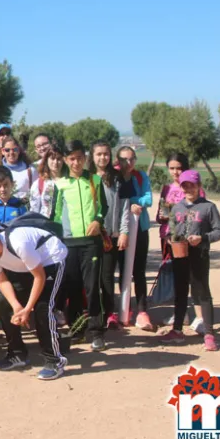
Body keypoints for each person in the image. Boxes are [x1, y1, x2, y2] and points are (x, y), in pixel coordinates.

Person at [0, 220, 69, 380]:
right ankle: (17, 354)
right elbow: (2, 281)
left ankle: (54, 360)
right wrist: (17, 307)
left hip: (51, 259)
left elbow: (39, 276)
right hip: (25, 266)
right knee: (4, 303)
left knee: (43, 308)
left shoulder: (18, 243)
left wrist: (27, 308)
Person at [160, 170, 220, 351]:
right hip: (180, 255)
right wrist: (169, 238)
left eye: (192, 185)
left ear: (199, 186)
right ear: (181, 187)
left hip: (199, 255)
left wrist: (202, 238)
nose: (189, 188)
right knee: (180, 292)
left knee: (202, 292)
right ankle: (177, 330)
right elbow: (170, 230)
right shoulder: (177, 207)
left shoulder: (208, 207)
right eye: (185, 185)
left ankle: (209, 333)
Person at [53, 140, 108, 350]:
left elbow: (104, 207)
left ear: (85, 158)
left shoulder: (94, 180)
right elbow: (56, 215)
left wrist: (98, 221)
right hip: (69, 244)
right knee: (73, 288)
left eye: (79, 158)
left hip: (91, 243)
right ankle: (77, 329)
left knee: (93, 287)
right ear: (66, 160)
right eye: (71, 158)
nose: (76, 162)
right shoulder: (60, 184)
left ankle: (96, 332)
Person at [157, 153, 205, 332]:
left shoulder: (194, 187)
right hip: (170, 240)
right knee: (177, 279)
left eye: (179, 168)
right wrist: (163, 217)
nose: (176, 172)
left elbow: (201, 212)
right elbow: (160, 216)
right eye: (172, 168)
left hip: (191, 241)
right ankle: (181, 314)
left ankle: (200, 317)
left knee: (195, 279)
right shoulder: (166, 189)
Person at [88, 141, 130, 330]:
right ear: (92, 156)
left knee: (106, 277)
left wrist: (123, 231)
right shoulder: (85, 177)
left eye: (106, 154)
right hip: (89, 235)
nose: (102, 157)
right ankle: (91, 312)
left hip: (110, 236)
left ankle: (109, 313)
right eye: (98, 154)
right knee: (90, 277)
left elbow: (124, 207)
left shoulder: (117, 178)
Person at [115, 146, 155, 332]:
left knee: (138, 270)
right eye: (124, 159)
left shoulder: (140, 176)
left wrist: (135, 202)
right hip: (118, 230)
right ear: (117, 160)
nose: (128, 163)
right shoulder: (113, 176)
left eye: (131, 159)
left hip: (140, 228)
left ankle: (141, 310)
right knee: (121, 270)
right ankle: (121, 309)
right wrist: (131, 203)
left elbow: (148, 198)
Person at [0, 135, 35, 202]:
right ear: (2, 151)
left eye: (15, 149)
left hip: (23, 209)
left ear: (19, 150)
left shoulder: (30, 170)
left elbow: (36, 194)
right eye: (7, 150)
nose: (11, 153)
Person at [29, 147, 66, 218]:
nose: (55, 162)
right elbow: (34, 211)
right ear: (46, 160)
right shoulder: (39, 183)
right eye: (52, 158)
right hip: (45, 225)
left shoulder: (69, 181)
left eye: (59, 159)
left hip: (66, 225)